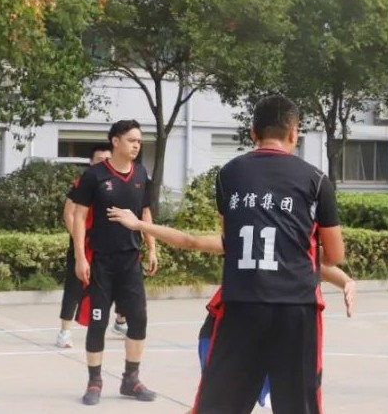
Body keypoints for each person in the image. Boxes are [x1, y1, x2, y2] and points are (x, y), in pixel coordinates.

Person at [110, 94, 344, 414]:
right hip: (296, 308)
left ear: (253, 133)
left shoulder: (229, 174)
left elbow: (228, 237)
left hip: (241, 304)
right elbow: (334, 255)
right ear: (294, 133)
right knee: (298, 405)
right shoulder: (316, 180)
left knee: (219, 405)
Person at [70, 120, 159, 406]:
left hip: (130, 261)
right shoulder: (94, 176)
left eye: (139, 141)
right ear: (115, 141)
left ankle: (131, 379)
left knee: (139, 319)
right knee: (98, 321)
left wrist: (152, 248)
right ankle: (94, 381)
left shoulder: (141, 174)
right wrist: (80, 257)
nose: (136, 145)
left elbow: (145, 213)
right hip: (101, 263)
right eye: (131, 140)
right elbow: (79, 217)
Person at [197, 266, 356, 410]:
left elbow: (318, 264)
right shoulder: (261, 253)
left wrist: (347, 281)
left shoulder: (294, 258)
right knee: (218, 404)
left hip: (274, 337)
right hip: (231, 334)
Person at [55, 144, 128, 348]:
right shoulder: (83, 183)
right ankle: (64, 332)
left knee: (119, 281)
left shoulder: (116, 183)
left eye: (107, 159)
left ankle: (120, 321)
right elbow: (69, 213)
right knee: (75, 286)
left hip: (108, 242)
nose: (104, 163)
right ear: (91, 162)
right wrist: (80, 240)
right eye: (99, 160)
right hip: (84, 242)